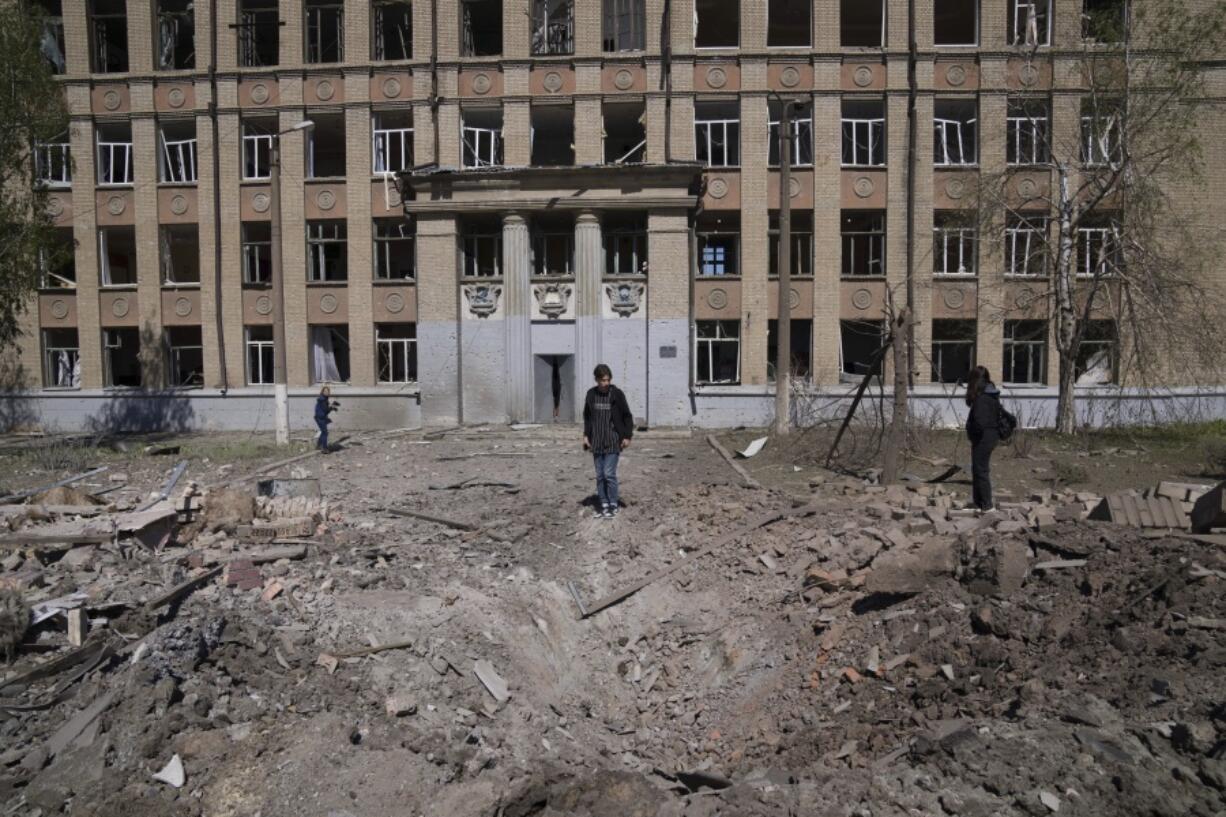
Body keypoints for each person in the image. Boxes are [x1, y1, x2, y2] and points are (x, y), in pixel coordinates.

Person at [582, 364, 634, 519]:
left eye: (608, 380)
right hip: (596, 440)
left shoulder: (616, 394)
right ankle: (603, 503)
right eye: (603, 380)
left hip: (613, 440)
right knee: (599, 475)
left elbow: (627, 416)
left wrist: (627, 436)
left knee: (608, 473)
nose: (605, 383)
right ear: (596, 380)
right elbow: (587, 417)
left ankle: (613, 503)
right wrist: (586, 435)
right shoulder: (591, 394)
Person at [965, 366, 1002, 511]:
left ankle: (987, 505)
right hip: (988, 436)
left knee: (981, 470)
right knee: (977, 469)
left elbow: (980, 422)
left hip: (984, 438)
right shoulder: (991, 394)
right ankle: (978, 503)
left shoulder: (982, 398)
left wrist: (973, 431)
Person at [315, 386, 337, 453]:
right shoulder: (322, 399)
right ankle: (324, 448)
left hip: (322, 417)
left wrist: (332, 407)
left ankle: (319, 445)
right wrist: (332, 407)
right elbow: (325, 410)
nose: (327, 392)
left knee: (323, 431)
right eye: (325, 391)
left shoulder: (325, 399)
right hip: (320, 418)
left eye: (328, 391)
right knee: (325, 432)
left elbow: (326, 410)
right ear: (322, 392)